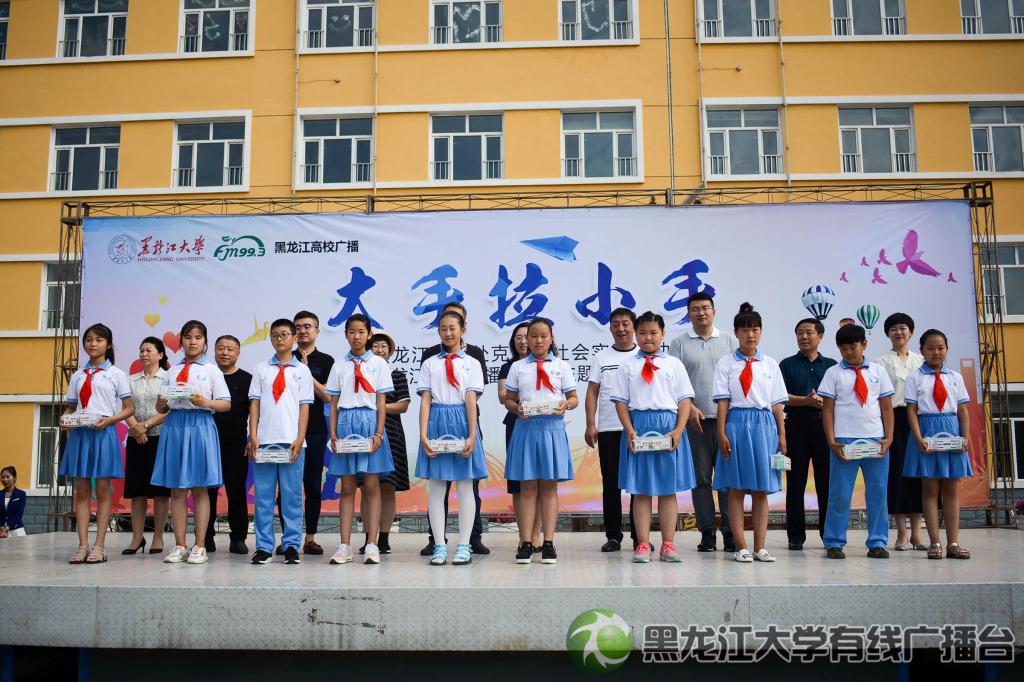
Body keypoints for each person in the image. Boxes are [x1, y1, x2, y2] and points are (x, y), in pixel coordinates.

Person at [611, 311, 695, 564]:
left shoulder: (674, 364)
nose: (648, 337)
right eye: (643, 333)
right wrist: (629, 430)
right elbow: (621, 402)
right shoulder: (627, 366)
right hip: (640, 426)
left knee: (668, 491)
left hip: (668, 426)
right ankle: (643, 543)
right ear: (636, 335)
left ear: (663, 334)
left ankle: (668, 545)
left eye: (653, 333)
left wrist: (678, 430)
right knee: (642, 491)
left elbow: (684, 400)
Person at [712, 304, 788, 563]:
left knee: (760, 490)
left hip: (764, 425)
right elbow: (723, 402)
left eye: (755, 329)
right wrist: (721, 432)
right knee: (736, 488)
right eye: (744, 330)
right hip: (736, 423)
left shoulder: (770, 364)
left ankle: (760, 547)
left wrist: (781, 435)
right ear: (736, 333)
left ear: (761, 332)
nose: (750, 335)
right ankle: (741, 546)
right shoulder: (726, 363)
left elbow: (777, 405)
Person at [152, 320, 231, 565]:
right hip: (175, 426)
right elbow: (161, 407)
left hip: (200, 425)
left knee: (199, 488)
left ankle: (200, 545)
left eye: (198, 337)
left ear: (205, 342)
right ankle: (179, 545)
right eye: (188, 337)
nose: (192, 342)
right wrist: (161, 403)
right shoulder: (171, 371)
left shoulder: (212, 370)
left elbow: (225, 403)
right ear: (181, 341)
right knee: (177, 489)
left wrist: (205, 402)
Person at [503, 317, 579, 565]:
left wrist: (566, 405)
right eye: (533, 336)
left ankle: (548, 543)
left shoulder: (561, 366)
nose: (538, 340)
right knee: (527, 487)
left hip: (552, 429)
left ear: (551, 338)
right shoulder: (518, 367)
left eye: (543, 336)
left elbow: (574, 398)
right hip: (525, 429)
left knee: (549, 487)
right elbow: (509, 399)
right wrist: (516, 409)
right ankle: (526, 543)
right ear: (527, 339)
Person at [416, 310, 488, 566]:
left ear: (463, 329)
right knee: (437, 486)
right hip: (436, 421)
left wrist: (472, 434)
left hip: (462, 420)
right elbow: (426, 400)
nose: (447, 333)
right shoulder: (430, 363)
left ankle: (465, 545)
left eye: (452, 328)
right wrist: (423, 434)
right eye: (443, 329)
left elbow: (471, 399)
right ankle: (439, 545)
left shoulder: (472, 363)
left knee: (466, 485)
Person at [818, 324, 895, 560]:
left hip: (876, 440)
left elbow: (886, 408)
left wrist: (889, 438)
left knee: (878, 493)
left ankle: (877, 542)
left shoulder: (878, 371)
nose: (849, 352)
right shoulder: (833, 373)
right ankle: (834, 542)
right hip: (844, 441)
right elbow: (827, 410)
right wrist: (831, 441)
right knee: (840, 494)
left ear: (864, 344)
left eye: (853, 346)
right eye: (843, 348)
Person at [668, 292, 737, 553]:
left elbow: (737, 379)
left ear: (714, 311)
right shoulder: (679, 344)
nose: (701, 313)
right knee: (701, 479)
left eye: (705, 308)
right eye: (695, 309)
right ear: (688, 314)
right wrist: (691, 408)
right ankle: (707, 532)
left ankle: (731, 532)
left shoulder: (729, 341)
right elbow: (674, 382)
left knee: (727, 480)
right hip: (694, 421)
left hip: (726, 421)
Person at [60, 323, 134, 564]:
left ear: (108, 344)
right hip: (80, 434)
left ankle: (99, 546)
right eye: (89, 339)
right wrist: (65, 418)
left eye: (99, 340)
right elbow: (71, 407)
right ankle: (82, 545)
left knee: (102, 490)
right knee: (82, 491)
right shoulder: (78, 375)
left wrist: (108, 421)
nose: (93, 344)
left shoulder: (116, 374)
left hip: (103, 433)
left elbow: (129, 409)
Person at [325, 313, 394, 565]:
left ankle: (372, 544)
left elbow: (381, 402)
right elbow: (333, 403)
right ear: (346, 334)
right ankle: (344, 545)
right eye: (352, 332)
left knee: (372, 486)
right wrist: (333, 433)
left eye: (361, 332)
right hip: (345, 423)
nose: (356, 336)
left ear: (369, 335)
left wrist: (378, 432)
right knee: (347, 487)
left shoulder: (378, 364)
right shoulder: (339, 365)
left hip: (369, 422)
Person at [247, 319, 313, 565]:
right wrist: (253, 435)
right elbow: (254, 404)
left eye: (284, 334)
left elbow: (304, 407)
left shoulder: (301, 371)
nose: (279, 339)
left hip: (292, 443)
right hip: (264, 442)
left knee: (292, 496)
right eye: (275, 335)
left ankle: (291, 545)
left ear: (294, 338)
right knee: (263, 497)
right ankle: (264, 547)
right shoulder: (261, 369)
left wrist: (300, 437)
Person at [903, 329, 973, 560]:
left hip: (952, 431)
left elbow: (962, 409)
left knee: (951, 488)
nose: (936, 352)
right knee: (930, 488)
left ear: (947, 349)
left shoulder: (955, 377)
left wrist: (964, 437)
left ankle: (953, 543)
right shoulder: (914, 378)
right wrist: (918, 438)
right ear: (922, 350)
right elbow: (911, 410)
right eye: (930, 348)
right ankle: (935, 542)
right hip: (927, 431)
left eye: (941, 348)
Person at [779, 319, 836, 551]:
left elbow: (838, 396)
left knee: (826, 483)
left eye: (809, 332)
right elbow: (780, 396)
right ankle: (795, 536)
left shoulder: (831, 366)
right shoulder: (786, 365)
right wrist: (806, 401)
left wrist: (823, 402)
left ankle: (828, 534)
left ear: (820, 336)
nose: (804, 337)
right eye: (800, 333)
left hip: (825, 426)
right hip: (796, 427)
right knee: (795, 483)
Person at [584, 307, 638, 552]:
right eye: (616, 324)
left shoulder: (642, 356)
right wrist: (591, 423)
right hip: (608, 427)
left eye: (626, 323)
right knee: (611, 484)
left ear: (634, 327)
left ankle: (640, 536)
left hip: (637, 428)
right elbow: (592, 392)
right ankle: (613, 536)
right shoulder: (601, 358)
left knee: (639, 484)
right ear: (610, 328)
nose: (621, 328)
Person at [354, 332, 411, 556]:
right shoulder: (360, 371)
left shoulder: (397, 375)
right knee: (366, 488)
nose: (380, 350)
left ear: (390, 351)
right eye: (375, 346)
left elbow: (403, 405)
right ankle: (369, 538)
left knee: (388, 487)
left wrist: (377, 407)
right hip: (366, 433)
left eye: (384, 346)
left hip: (392, 434)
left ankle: (384, 538)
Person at [875, 312, 926, 552]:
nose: (899, 332)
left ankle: (917, 533)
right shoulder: (880, 363)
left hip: (919, 420)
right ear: (888, 334)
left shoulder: (921, 361)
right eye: (893, 329)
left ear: (911, 332)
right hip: (893, 419)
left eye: (903, 328)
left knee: (918, 475)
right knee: (897, 475)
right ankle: (901, 533)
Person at [122, 337, 170, 555]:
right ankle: (136, 537)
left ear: (160, 354)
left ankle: (158, 537)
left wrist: (146, 426)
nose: (144, 354)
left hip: (160, 438)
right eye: (141, 350)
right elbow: (126, 408)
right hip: (136, 439)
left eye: (149, 350)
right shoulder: (130, 380)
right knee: (137, 491)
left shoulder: (168, 379)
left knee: (160, 491)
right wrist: (136, 428)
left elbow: (169, 409)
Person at [293, 310, 336, 556]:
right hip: (288, 430)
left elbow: (328, 396)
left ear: (317, 331)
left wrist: (306, 373)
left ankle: (310, 538)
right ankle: (288, 538)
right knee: (288, 487)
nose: (302, 331)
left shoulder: (326, 361)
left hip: (315, 430)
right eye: (298, 327)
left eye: (307, 326)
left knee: (312, 485)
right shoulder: (284, 357)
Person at [208, 334, 252, 555]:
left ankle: (238, 538)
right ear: (214, 351)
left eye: (230, 349)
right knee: (207, 491)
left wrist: (252, 438)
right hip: (207, 442)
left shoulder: (247, 379)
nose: (224, 352)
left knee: (237, 492)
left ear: (238, 353)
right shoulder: (207, 376)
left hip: (236, 444)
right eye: (220, 348)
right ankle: (205, 537)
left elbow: (256, 413)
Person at [499, 323, 541, 551]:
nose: (524, 341)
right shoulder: (510, 367)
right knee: (519, 482)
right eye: (519, 337)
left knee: (541, 481)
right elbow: (502, 396)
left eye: (527, 336)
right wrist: (521, 403)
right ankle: (523, 534)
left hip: (543, 424)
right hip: (516, 422)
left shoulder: (551, 365)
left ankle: (536, 534)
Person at [1, 466, 27, 538]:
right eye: (2, 477)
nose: (5, 479)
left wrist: (7, 528)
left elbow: (19, 514)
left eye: (8, 477)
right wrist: (1, 528)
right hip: (1, 531)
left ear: (14, 478)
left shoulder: (21, 494)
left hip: (16, 530)